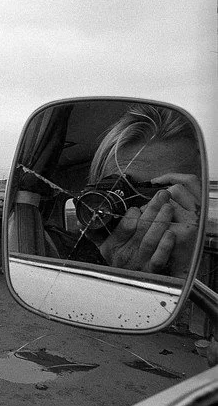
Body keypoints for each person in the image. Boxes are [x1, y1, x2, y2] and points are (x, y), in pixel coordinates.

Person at [83, 104, 202, 278]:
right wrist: (105, 266)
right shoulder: (71, 257)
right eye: (118, 194)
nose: (139, 216)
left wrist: (191, 265)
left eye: (162, 194)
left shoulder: (206, 246)